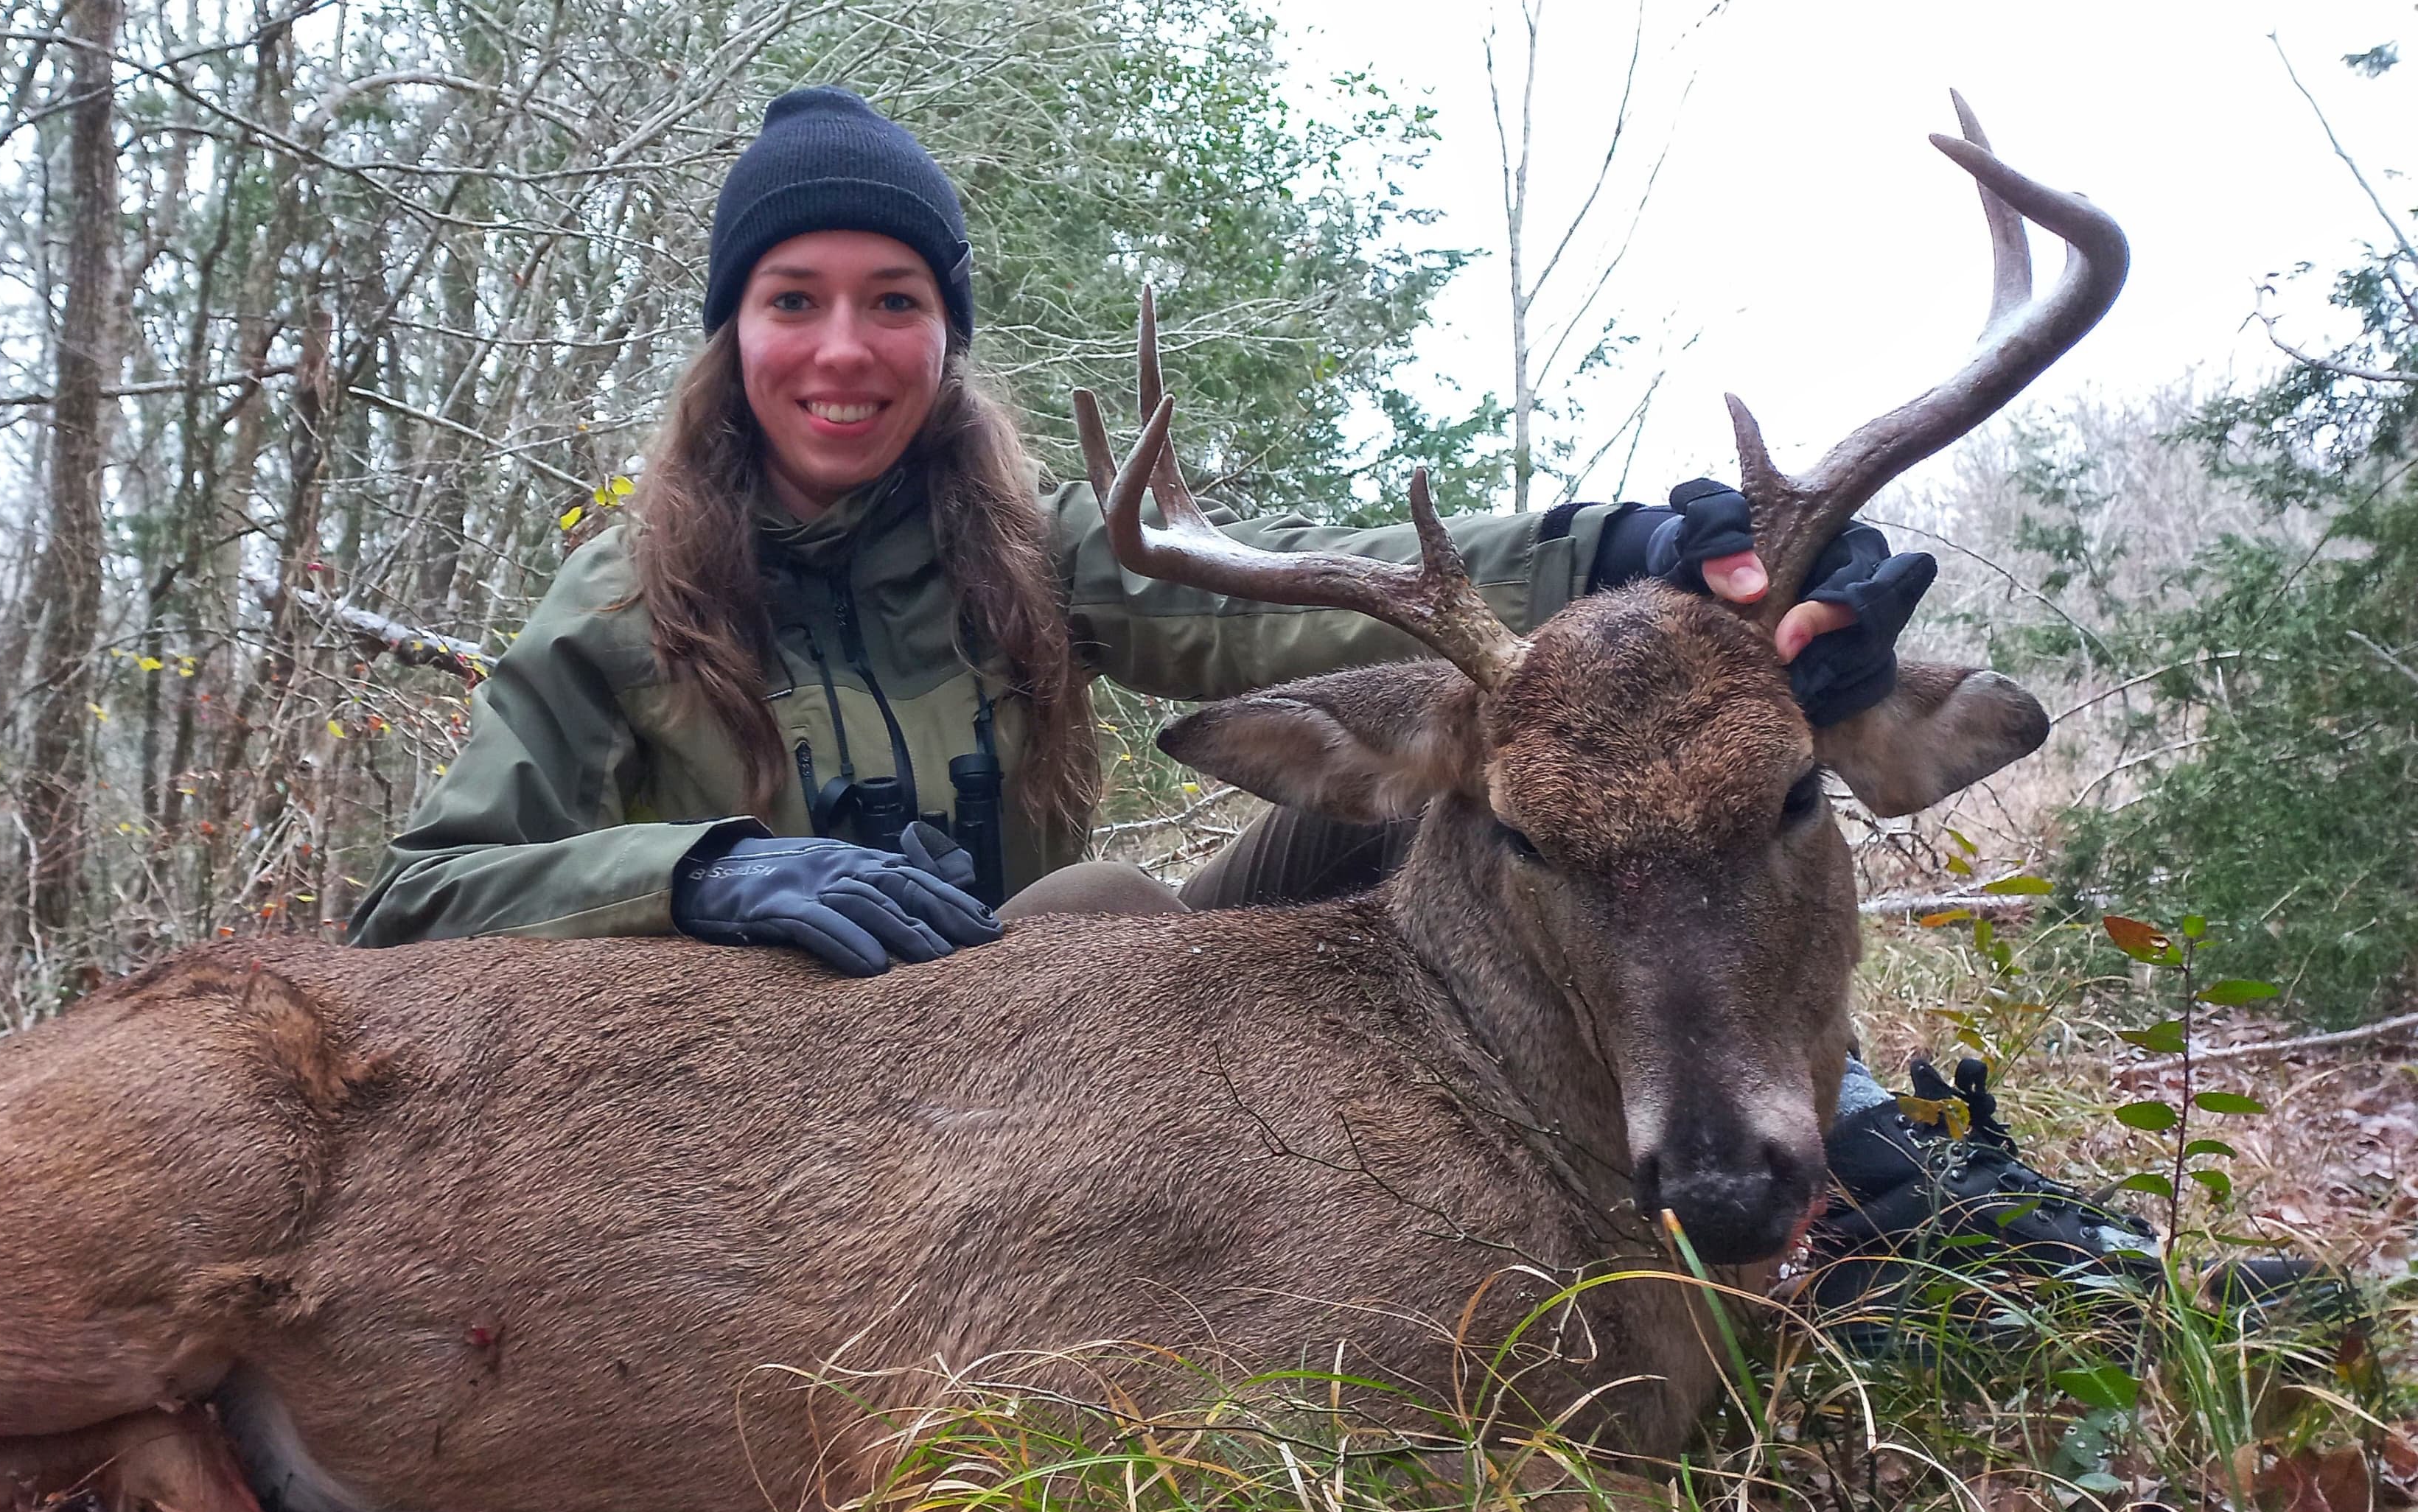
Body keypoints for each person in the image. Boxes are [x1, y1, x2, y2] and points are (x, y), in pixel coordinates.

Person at [349, 84, 1929, 963]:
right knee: (1103, 915)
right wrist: (702, 874)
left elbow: (1286, 599)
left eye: (892, 302)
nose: (843, 350)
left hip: (1038, 1024)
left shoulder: (1022, 550)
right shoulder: (618, 604)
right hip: (783, 1088)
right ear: (732, 334)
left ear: (944, 339)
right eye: (793, 301)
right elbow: (413, 902)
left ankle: (1811, 1162)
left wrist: (1635, 553)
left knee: (1452, 786)